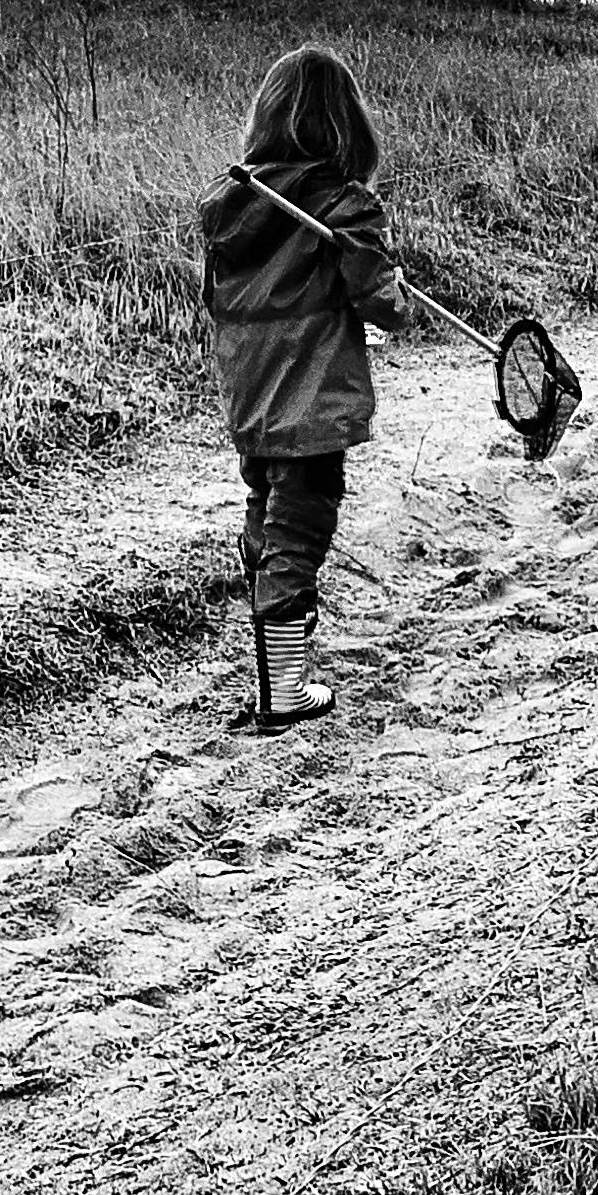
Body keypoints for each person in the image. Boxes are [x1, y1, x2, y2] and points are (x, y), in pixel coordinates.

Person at [198, 44, 410, 731]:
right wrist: (388, 286)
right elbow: (382, 304)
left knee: (267, 509)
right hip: (311, 397)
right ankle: (283, 693)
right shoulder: (344, 206)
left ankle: (274, 679)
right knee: (303, 521)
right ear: (345, 125)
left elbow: (218, 300)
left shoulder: (231, 205)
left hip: (251, 394)